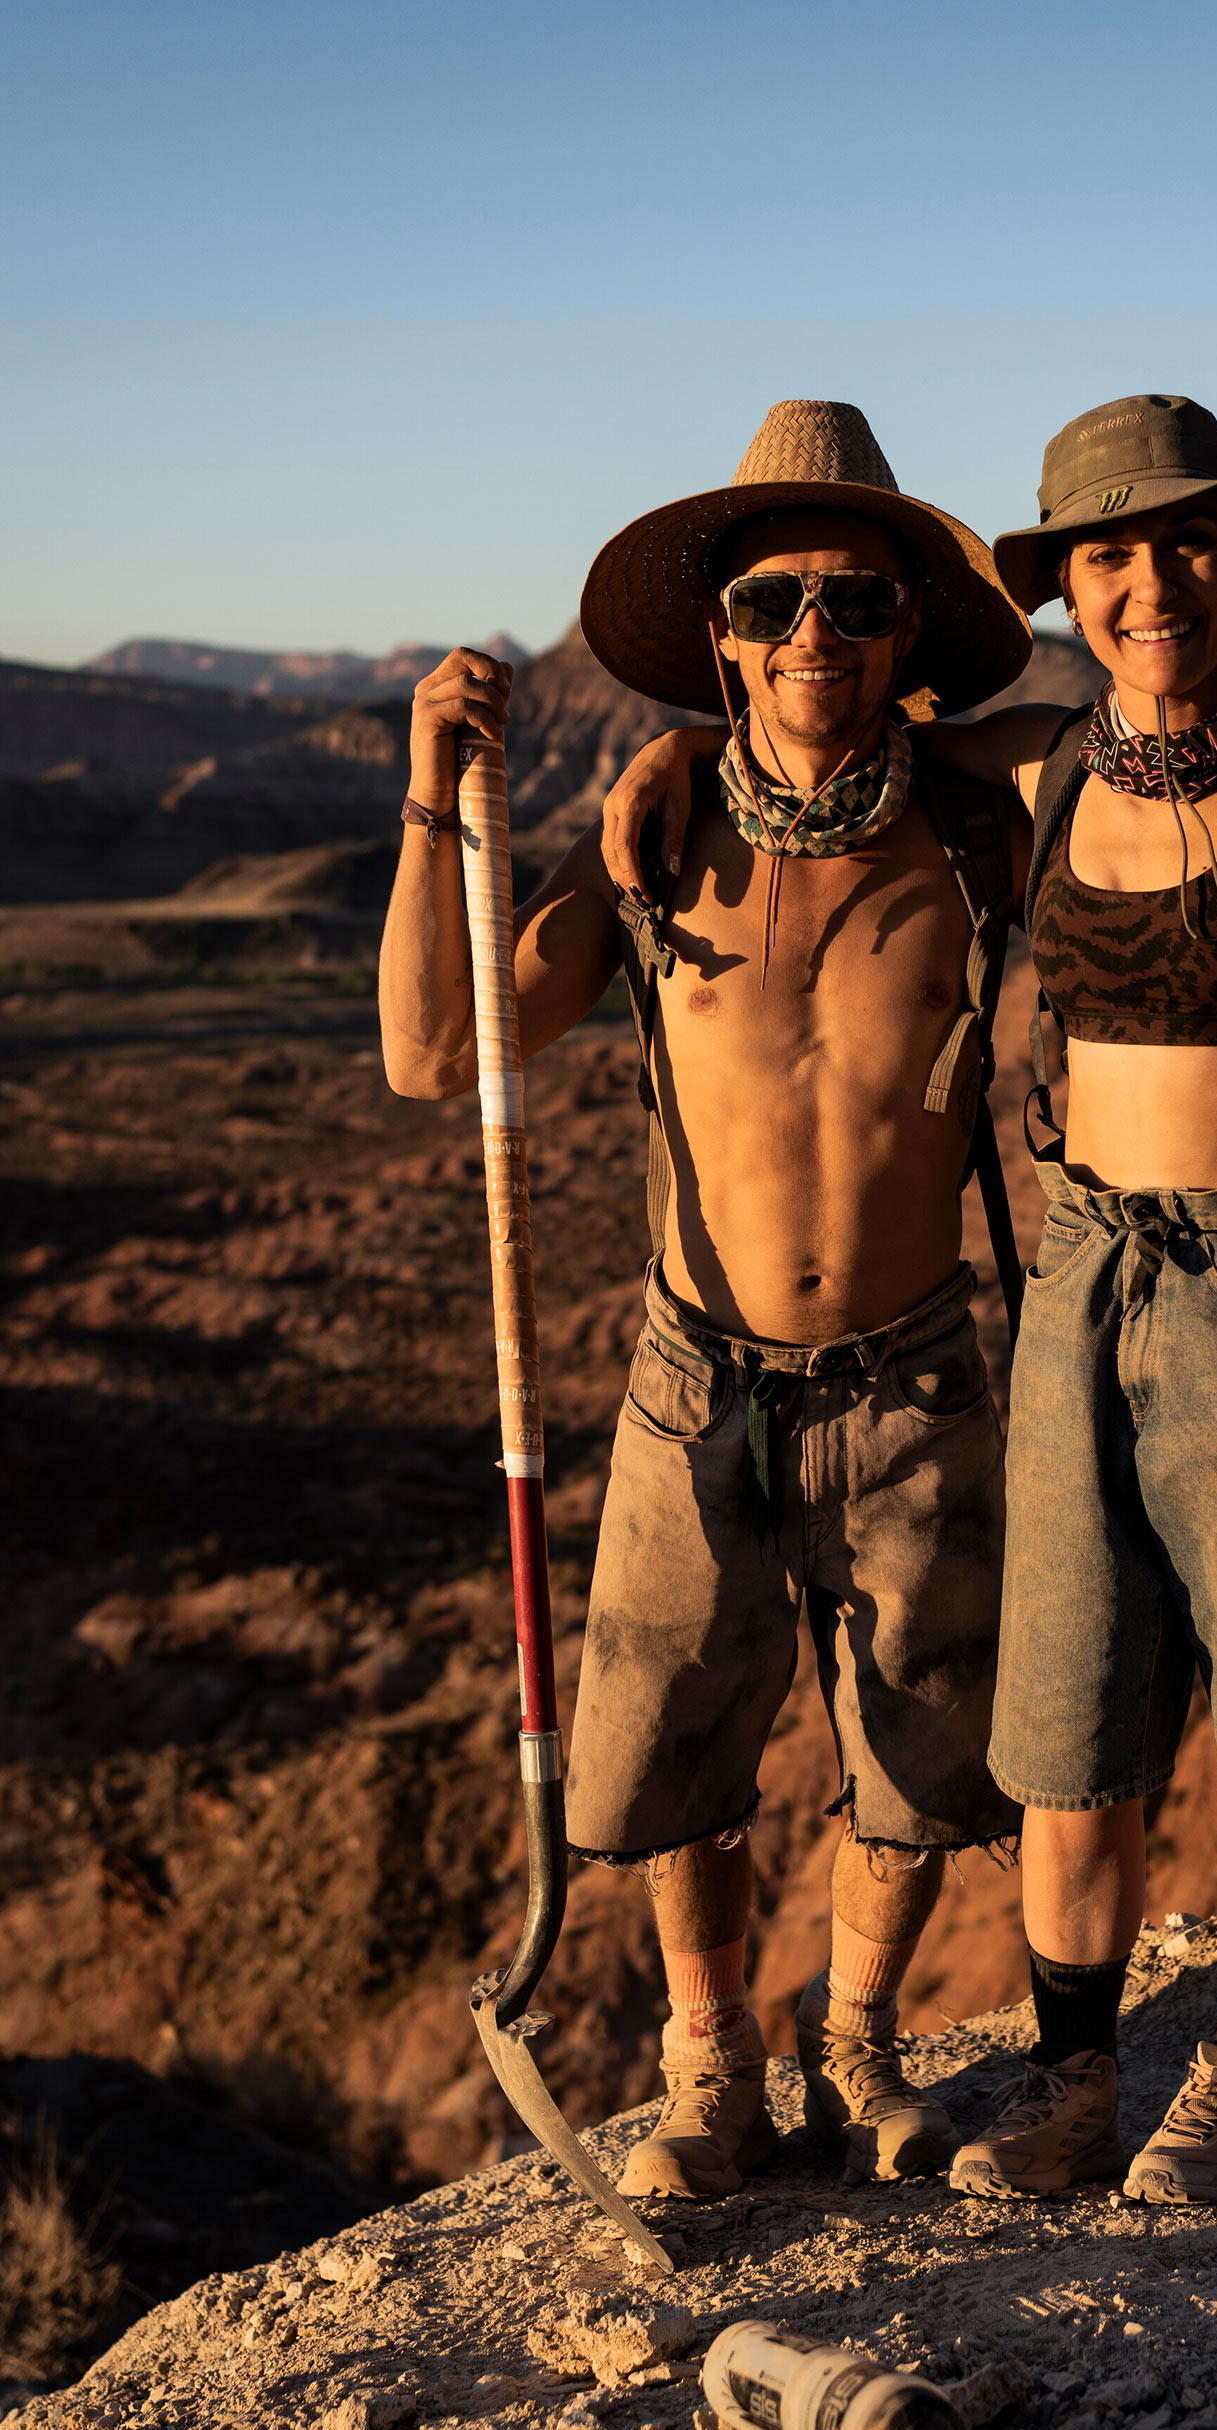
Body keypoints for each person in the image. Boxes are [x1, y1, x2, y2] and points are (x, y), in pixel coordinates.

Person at [600, 393, 1217, 2208]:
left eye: (1188, 546)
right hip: (1081, 1289)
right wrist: (673, 753)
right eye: (1110, 555)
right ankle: (1080, 2088)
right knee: (1068, 1744)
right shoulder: (1040, 766)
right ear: (1068, 586)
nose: (1152, 585)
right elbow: (830, 748)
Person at [378, 400, 1032, 2200]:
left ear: (908, 629)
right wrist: (432, 799)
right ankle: (711, 2067)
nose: (814, 631)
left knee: (920, 1751)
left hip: (915, 1373)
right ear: (722, 638)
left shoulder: (976, 825)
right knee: (682, 1744)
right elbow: (433, 1050)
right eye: (770, 603)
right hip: (702, 1375)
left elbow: (1115, 736)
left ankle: (862, 2045)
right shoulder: (648, 857)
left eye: (856, 600)